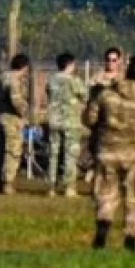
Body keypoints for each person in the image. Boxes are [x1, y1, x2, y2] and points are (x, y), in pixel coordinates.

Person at [82, 53, 135, 251]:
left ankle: (102, 233)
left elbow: (89, 120)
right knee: (134, 198)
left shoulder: (106, 94)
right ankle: (131, 239)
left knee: (105, 195)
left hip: (107, 152)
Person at [45, 52, 88, 197]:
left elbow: (49, 94)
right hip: (71, 122)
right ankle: (69, 187)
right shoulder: (74, 81)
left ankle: (51, 187)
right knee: (70, 155)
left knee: (53, 154)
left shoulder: (51, 80)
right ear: (70, 64)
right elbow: (85, 96)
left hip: (54, 121)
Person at [85, 47, 125, 185]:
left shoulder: (123, 79)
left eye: (114, 60)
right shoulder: (97, 78)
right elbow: (89, 97)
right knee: (98, 150)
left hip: (118, 121)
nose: (111, 63)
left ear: (119, 61)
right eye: (108, 60)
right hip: (100, 121)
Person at [0, 53, 30, 194]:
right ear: (24, 67)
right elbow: (16, 102)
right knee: (12, 152)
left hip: (1, 117)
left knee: (1, 152)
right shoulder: (14, 80)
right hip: (12, 120)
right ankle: (7, 184)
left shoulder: (1, 77)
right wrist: (25, 114)